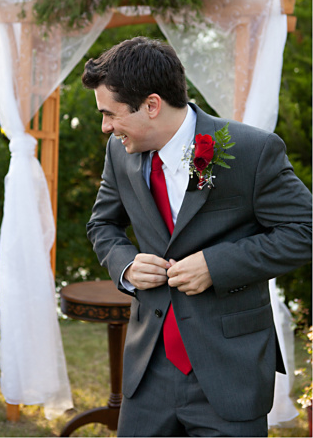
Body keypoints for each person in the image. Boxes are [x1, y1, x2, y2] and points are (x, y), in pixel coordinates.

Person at [83, 36, 312, 436]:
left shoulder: (251, 151)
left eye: (110, 114)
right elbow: (102, 225)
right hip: (147, 370)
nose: (105, 127)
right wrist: (127, 265)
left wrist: (217, 265)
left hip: (230, 371)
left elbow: (305, 230)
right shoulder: (120, 154)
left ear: (152, 105)